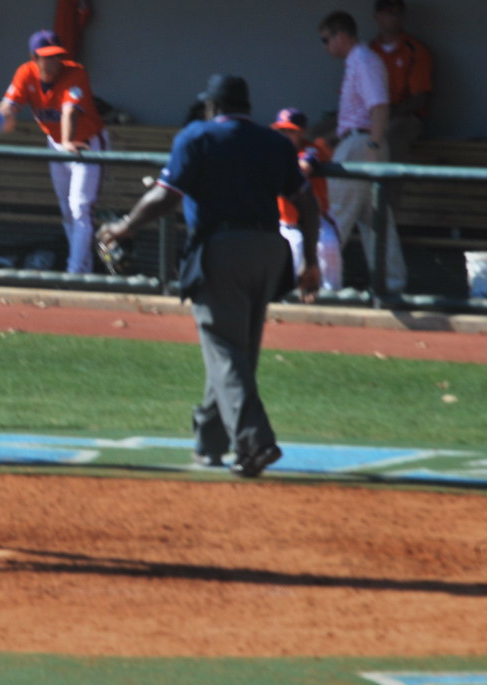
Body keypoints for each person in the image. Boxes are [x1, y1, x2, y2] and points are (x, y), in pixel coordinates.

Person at [97, 74, 319, 478]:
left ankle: (255, 443)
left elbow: (166, 195)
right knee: (237, 351)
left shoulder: (196, 136)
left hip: (222, 250)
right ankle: (209, 442)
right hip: (270, 251)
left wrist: (125, 226)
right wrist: (312, 261)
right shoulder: (275, 142)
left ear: (212, 107)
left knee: (224, 350)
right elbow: (307, 201)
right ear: (247, 107)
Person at [0, 29, 108, 274]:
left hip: (86, 143)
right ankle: (84, 269)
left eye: (56, 55)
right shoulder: (25, 73)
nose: (53, 62)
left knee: (80, 207)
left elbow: (69, 110)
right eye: (46, 56)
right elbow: (8, 108)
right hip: (56, 142)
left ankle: (74, 272)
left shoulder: (75, 72)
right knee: (67, 210)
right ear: (34, 57)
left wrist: (68, 141)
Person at [319, 10, 407, 295]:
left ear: (341, 36)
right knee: (375, 220)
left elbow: (379, 106)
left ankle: (319, 284)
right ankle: (391, 285)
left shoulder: (363, 59)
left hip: (362, 145)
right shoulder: (359, 60)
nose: (325, 46)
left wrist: (373, 144)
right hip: (360, 142)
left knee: (336, 216)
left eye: (326, 39)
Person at [272, 108, 343, 291]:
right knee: (293, 246)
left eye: (291, 131)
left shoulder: (311, 148)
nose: (286, 135)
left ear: (302, 132)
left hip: (317, 218)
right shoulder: (271, 149)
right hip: (285, 221)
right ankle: (288, 297)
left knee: (328, 245)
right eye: (282, 130)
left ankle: (331, 294)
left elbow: (304, 167)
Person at [369, 0, 432, 165]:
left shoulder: (415, 49)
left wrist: (388, 114)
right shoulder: (367, 52)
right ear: (377, 17)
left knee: (390, 135)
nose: (395, 17)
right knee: (320, 133)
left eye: (399, 12)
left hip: (405, 117)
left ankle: (389, 190)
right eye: (389, 12)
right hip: (370, 116)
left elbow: (420, 98)